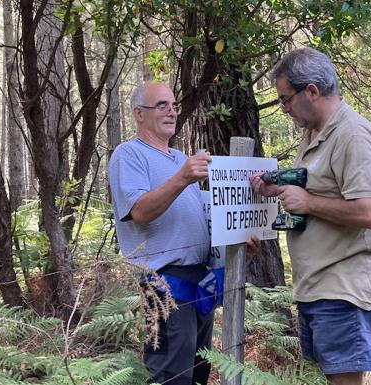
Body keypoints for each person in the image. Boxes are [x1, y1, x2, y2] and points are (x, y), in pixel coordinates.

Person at [250, 48, 371, 385]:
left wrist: (309, 202)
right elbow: (316, 188)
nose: (283, 108)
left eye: (286, 99)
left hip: (346, 287)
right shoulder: (315, 132)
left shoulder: (353, 136)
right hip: (317, 286)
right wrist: (279, 191)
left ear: (312, 91)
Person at [108, 82, 214, 385]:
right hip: (165, 281)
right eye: (162, 105)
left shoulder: (180, 158)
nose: (171, 111)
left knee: (198, 371)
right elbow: (140, 211)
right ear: (139, 114)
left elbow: (202, 216)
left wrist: (237, 238)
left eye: (174, 105)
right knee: (172, 374)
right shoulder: (129, 155)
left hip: (200, 277)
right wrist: (181, 178)